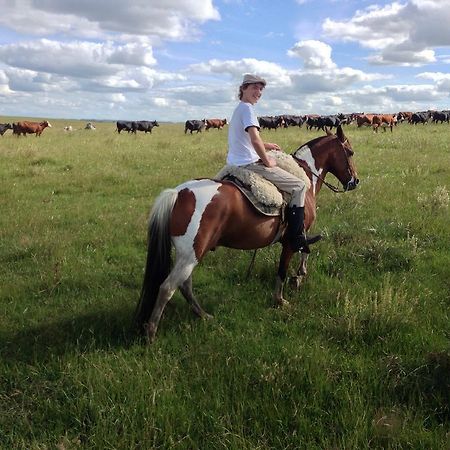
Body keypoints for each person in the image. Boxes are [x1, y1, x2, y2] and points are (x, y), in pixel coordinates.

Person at [227, 74, 321, 253]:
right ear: (244, 88)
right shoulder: (247, 109)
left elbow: (246, 139)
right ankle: (297, 237)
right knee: (299, 186)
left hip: (234, 161)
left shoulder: (239, 109)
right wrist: (267, 160)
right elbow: (254, 139)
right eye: (254, 87)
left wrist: (267, 145)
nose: (259, 92)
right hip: (248, 163)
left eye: (261, 89)